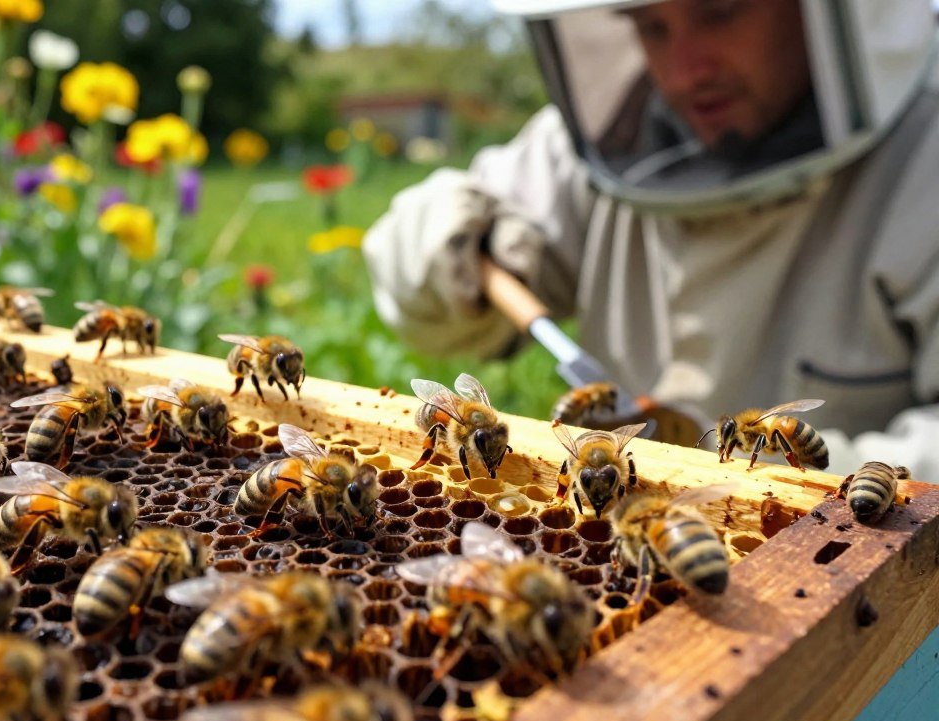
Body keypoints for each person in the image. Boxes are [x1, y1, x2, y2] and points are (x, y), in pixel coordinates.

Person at [364, 0, 939, 481]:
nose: (685, 70)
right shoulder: (607, 136)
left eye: (720, 11)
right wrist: (446, 248)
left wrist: (786, 481)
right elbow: (423, 270)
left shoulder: (924, 157)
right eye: (649, 25)